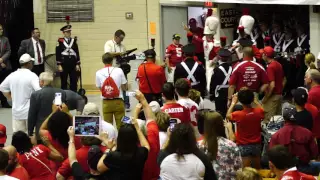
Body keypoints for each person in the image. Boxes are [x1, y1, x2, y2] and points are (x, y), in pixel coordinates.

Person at [97, 94, 151, 180]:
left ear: (119, 139)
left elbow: (99, 168)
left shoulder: (113, 156)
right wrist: (137, 128)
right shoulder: (141, 153)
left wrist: (108, 149)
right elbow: (146, 146)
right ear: (135, 139)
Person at [269, 106, 318, 175]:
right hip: (305, 169)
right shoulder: (307, 132)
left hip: (284, 171)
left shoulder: (276, 136)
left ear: (284, 118)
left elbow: (271, 157)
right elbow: (315, 153)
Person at [0, 54, 41, 133]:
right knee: (31, 135)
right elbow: (39, 91)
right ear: (29, 64)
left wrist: (10, 98)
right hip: (30, 111)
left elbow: (2, 87)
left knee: (19, 137)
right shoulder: (32, 76)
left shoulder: (12, 75)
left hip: (17, 112)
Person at [198, 111, 242, 180]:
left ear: (205, 127)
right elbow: (239, 169)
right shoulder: (231, 145)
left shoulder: (198, 146)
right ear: (221, 125)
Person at [226, 89, 264, 169]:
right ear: (252, 99)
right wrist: (256, 101)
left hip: (243, 145)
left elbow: (228, 115)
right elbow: (263, 110)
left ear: (240, 100)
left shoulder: (238, 114)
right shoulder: (258, 112)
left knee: (245, 171)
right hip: (257, 144)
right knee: (257, 169)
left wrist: (233, 102)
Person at [28, 72, 66, 144]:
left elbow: (32, 114)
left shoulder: (36, 94)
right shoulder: (61, 92)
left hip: (41, 129)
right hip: (58, 128)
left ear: (42, 82)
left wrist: (30, 131)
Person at [96, 53, 128, 130]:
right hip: (118, 101)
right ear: (112, 60)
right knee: (121, 125)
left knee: (107, 127)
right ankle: (121, 141)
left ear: (103, 61)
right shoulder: (119, 70)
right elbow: (125, 87)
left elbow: (100, 88)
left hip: (106, 103)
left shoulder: (98, 72)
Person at [104, 29, 130, 110]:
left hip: (121, 68)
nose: (122, 40)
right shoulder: (109, 43)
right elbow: (107, 54)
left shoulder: (122, 46)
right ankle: (113, 101)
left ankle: (126, 103)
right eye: (121, 38)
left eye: (123, 39)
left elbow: (123, 56)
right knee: (112, 85)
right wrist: (119, 54)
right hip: (112, 68)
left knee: (124, 85)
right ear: (116, 37)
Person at [261, 46, 285, 122]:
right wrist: (280, 90)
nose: (262, 56)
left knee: (269, 121)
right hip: (279, 96)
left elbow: (272, 85)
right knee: (278, 121)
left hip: (273, 97)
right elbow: (284, 79)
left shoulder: (270, 67)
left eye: (263, 54)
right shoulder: (279, 64)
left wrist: (266, 97)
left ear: (265, 55)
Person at [56, 25, 81, 92]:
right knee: (64, 80)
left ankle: (74, 94)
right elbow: (58, 53)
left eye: (69, 31)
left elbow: (77, 52)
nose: (69, 33)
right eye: (67, 32)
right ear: (63, 33)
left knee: (74, 80)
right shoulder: (60, 41)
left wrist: (77, 64)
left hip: (73, 63)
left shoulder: (74, 41)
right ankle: (64, 95)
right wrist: (59, 65)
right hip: (64, 63)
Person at [210, 49, 233, 118]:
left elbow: (213, 83)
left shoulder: (217, 69)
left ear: (219, 57)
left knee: (220, 112)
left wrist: (212, 94)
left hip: (219, 93)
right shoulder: (232, 68)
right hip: (230, 92)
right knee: (229, 111)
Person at [202, 9, 220, 91]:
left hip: (211, 62)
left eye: (208, 34)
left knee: (210, 76)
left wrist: (213, 61)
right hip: (206, 61)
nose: (206, 35)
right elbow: (198, 39)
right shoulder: (204, 40)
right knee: (207, 76)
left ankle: (210, 90)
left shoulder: (215, 43)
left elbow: (218, 54)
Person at [305, 69, 320, 147]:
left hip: (316, 129)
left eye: (306, 77)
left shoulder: (311, 94)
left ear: (310, 80)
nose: (304, 79)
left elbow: (308, 113)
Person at [0, 24, 11, 108]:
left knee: (3, 85)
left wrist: (2, 59)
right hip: (1, 64)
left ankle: (4, 102)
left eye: (2, 29)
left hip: (4, 66)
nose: (1, 31)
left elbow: (8, 51)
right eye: (0, 29)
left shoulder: (5, 39)